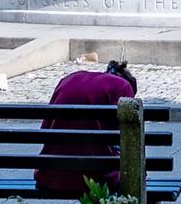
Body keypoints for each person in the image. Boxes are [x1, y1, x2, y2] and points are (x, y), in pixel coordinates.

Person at [33, 60, 139, 196]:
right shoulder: (123, 86)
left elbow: (45, 130)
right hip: (97, 179)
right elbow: (127, 140)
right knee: (136, 178)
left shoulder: (70, 78)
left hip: (50, 176)